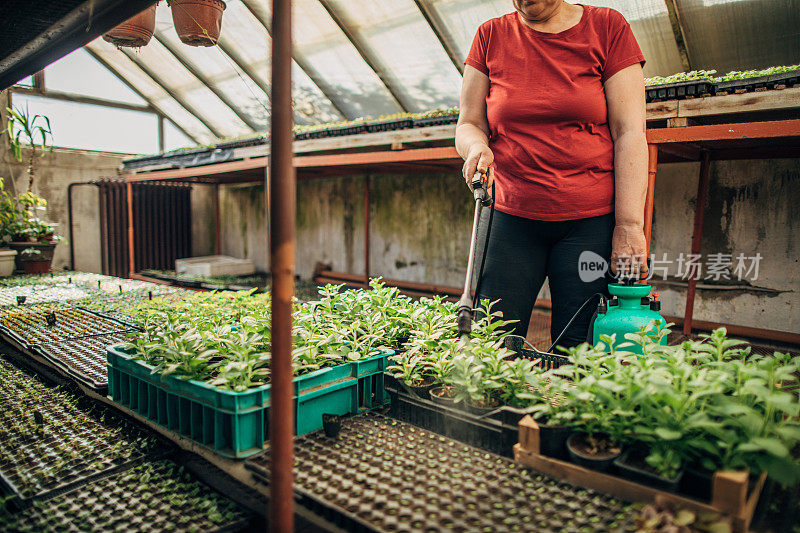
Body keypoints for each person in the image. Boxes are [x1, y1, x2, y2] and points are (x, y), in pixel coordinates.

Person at [456, 0, 649, 348]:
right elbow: (469, 123)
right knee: (491, 346)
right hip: (509, 216)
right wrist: (475, 147)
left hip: (589, 224)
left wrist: (630, 226)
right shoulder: (490, 35)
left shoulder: (607, 27)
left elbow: (630, 133)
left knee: (580, 351)